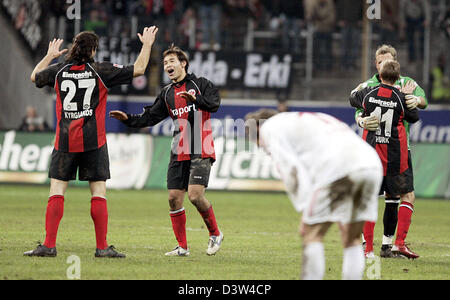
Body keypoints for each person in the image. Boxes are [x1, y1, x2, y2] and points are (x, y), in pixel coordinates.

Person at [24, 26, 159, 258]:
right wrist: (147, 44)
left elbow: (34, 76)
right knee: (98, 192)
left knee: (57, 190)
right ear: (93, 50)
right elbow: (139, 69)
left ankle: (48, 245)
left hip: (64, 141)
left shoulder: (59, 70)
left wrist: (50, 55)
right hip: (93, 142)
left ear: (74, 48)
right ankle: (101, 247)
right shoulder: (101, 70)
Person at [109, 44, 223, 257]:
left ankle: (215, 234)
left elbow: (214, 104)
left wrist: (196, 100)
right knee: (173, 198)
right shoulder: (167, 93)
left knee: (195, 196)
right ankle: (182, 247)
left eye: (172, 61)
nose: (168, 66)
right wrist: (129, 119)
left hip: (201, 145)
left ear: (183, 64)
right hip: (179, 147)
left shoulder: (201, 84)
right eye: (165, 63)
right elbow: (150, 116)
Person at [244, 109, 382, 280]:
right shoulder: (308, 119)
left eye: (259, 143)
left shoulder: (270, 128)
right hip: (371, 164)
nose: (264, 149)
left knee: (311, 233)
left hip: (340, 168)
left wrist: (304, 208)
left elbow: (290, 170)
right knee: (352, 237)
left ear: (257, 129)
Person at [351, 44, 427, 259]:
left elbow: (353, 99)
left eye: (386, 61)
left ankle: (378, 247)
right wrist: (360, 119)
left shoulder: (370, 90)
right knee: (401, 196)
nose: (382, 64)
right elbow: (415, 116)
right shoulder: (399, 92)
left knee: (381, 198)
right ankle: (394, 244)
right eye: (380, 61)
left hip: (377, 151)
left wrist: (418, 100)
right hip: (395, 153)